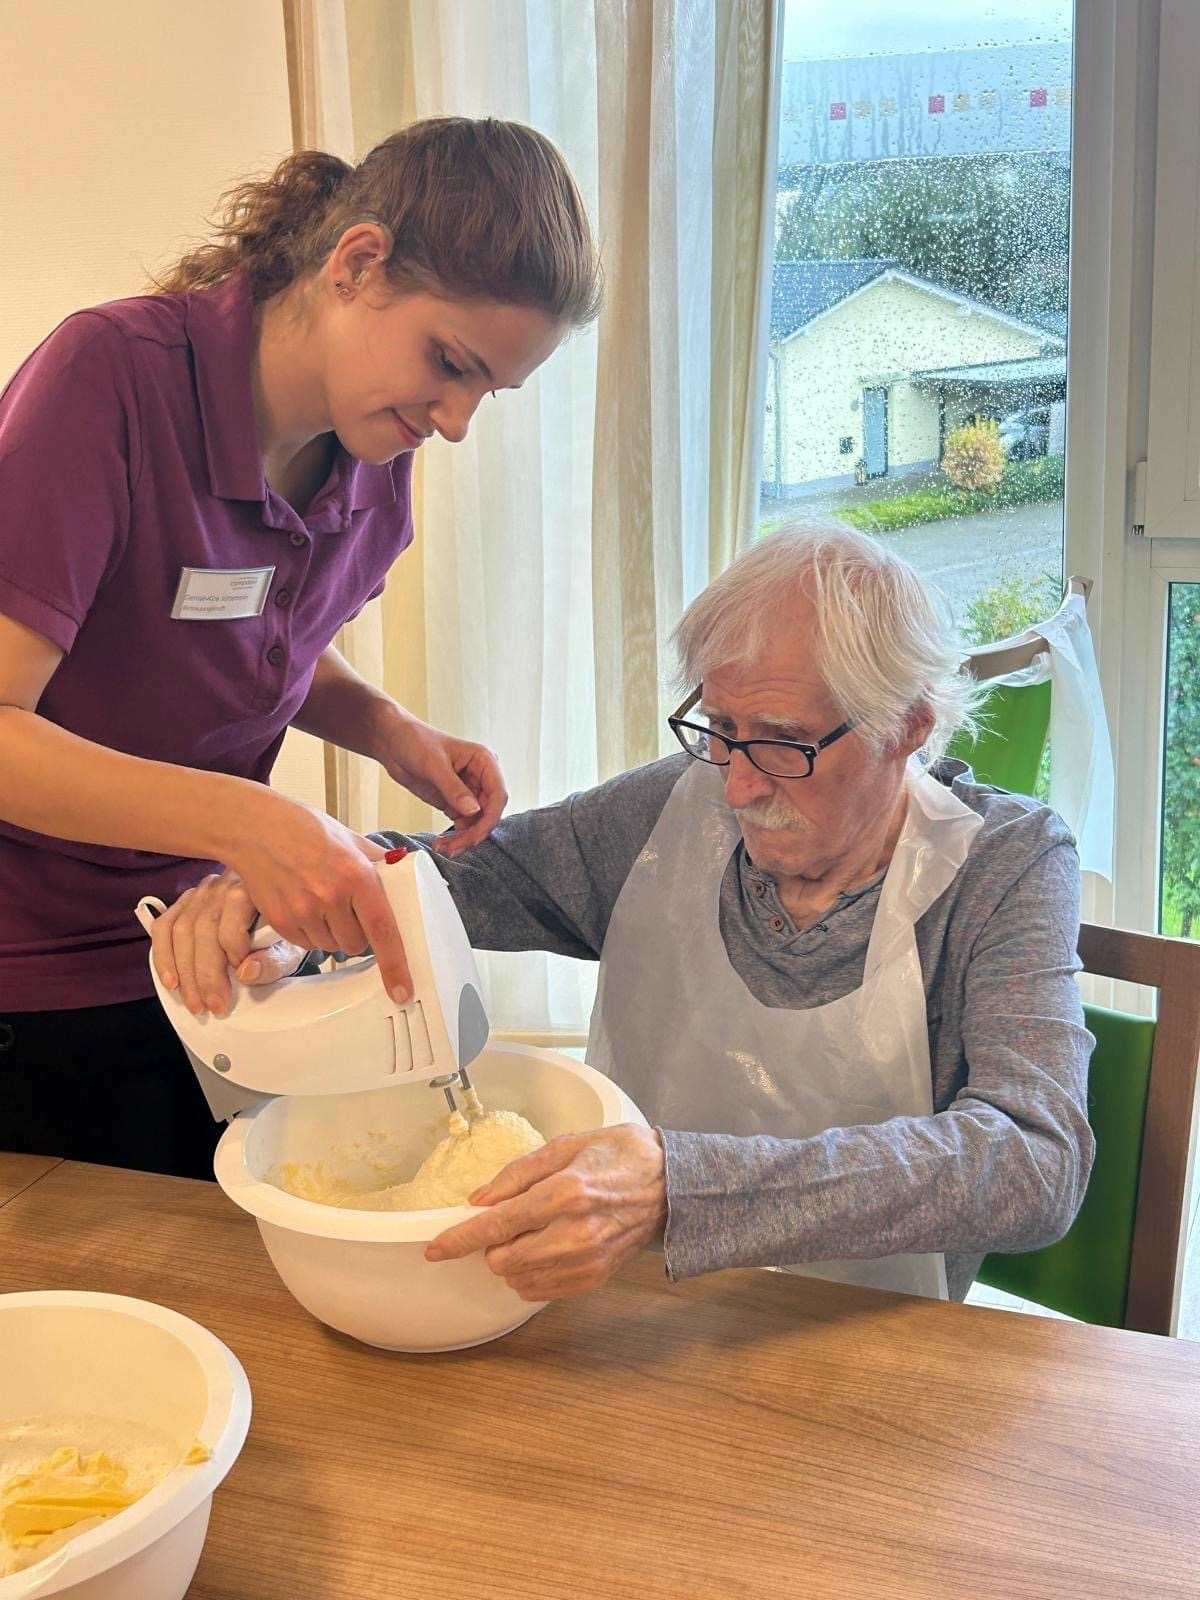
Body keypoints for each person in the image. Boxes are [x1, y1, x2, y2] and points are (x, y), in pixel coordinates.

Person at [154, 526, 1095, 1303]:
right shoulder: (671, 808)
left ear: (910, 725)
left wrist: (682, 1188)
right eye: (719, 730)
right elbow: (461, 879)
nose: (736, 786)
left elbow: (1035, 1160)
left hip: (867, 1346)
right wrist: (302, 877)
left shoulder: (1004, 866)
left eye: (784, 746)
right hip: (632, 1318)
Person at [0, 117, 601, 1177]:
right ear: (355, 264)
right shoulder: (112, 382)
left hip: (202, 959)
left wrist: (385, 728)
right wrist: (254, 819)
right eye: (448, 364)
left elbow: (238, 634)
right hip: (32, 975)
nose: (456, 419)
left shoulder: (372, 460)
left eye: (488, 392)